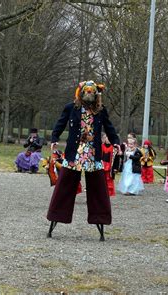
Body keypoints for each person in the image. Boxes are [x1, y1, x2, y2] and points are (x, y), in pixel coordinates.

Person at [47, 80, 120, 241]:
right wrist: (54, 138)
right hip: (74, 155)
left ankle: (100, 219)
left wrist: (115, 142)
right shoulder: (71, 108)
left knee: (98, 190)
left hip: (93, 157)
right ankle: (56, 216)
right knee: (64, 187)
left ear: (96, 94)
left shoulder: (101, 111)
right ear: (81, 93)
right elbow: (60, 124)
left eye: (92, 91)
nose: (89, 93)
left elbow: (109, 128)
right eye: (86, 91)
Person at [101, 133, 116, 197]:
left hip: (110, 166)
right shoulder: (101, 146)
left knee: (109, 179)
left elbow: (115, 159)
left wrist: (115, 167)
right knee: (102, 178)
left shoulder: (113, 148)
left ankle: (109, 192)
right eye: (107, 138)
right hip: (102, 164)